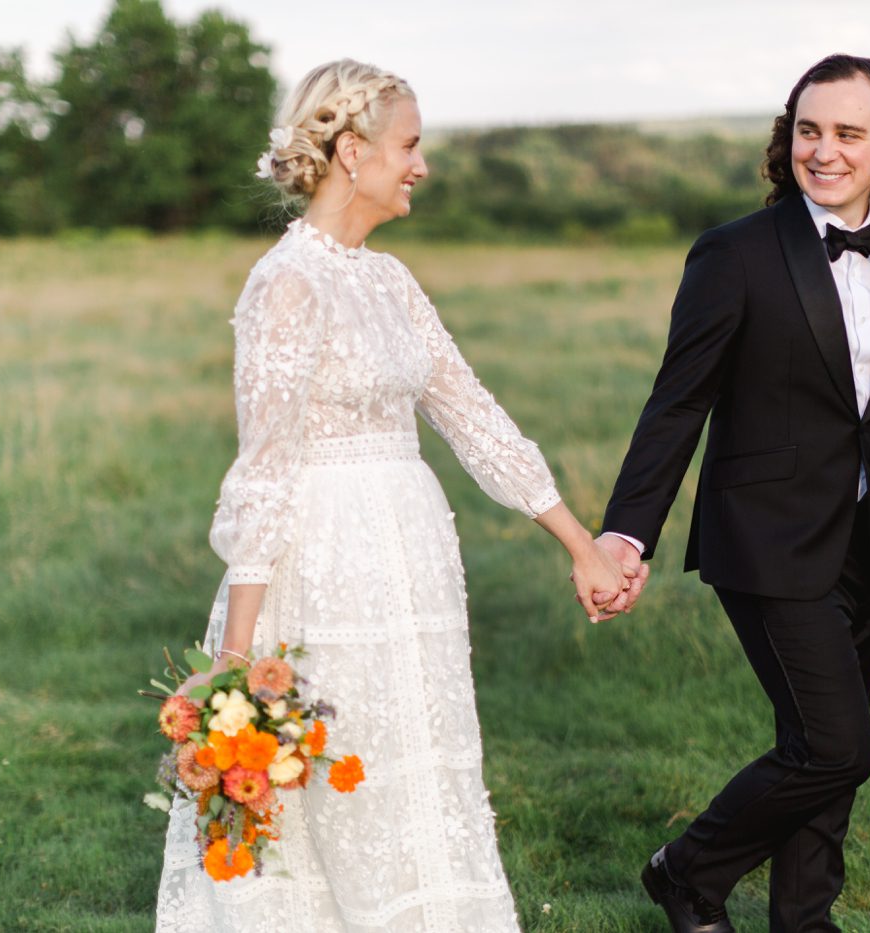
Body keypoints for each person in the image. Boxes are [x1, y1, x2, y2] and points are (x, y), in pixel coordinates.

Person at [155, 59, 632, 933]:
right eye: (409, 146)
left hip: (409, 564)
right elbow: (264, 466)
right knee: (332, 782)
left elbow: (472, 415)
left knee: (416, 766)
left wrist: (580, 543)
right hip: (322, 564)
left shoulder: (389, 280)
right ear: (349, 152)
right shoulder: (285, 284)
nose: (421, 165)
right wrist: (234, 654)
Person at [588, 55, 870, 932]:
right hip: (767, 537)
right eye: (807, 130)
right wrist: (625, 536)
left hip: (867, 538)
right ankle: (688, 871)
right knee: (836, 744)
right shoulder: (734, 253)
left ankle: (804, 918)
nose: (822, 151)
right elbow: (677, 404)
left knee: (823, 751)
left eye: (847, 133)